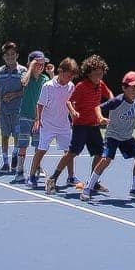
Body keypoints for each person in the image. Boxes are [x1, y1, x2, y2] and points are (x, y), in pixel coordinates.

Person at [81, 71, 135, 199]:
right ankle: (88, 187)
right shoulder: (117, 101)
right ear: (124, 88)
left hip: (127, 137)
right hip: (113, 136)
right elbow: (97, 108)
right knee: (106, 160)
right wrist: (100, 118)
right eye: (132, 88)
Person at [61, 55, 112, 195]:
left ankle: (93, 182)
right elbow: (69, 102)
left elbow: (110, 95)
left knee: (100, 154)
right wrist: (73, 112)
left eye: (101, 74)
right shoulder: (81, 86)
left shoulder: (101, 84)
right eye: (95, 74)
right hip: (81, 125)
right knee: (72, 153)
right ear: (89, 73)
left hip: (94, 125)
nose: (98, 76)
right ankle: (53, 178)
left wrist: (114, 104)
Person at [35, 58, 78, 194]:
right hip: (47, 124)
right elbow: (40, 104)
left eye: (72, 76)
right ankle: (31, 175)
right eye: (68, 75)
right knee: (42, 150)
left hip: (64, 125)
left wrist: (73, 116)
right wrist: (38, 119)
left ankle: (71, 177)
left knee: (69, 152)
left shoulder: (71, 86)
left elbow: (71, 103)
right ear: (61, 71)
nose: (70, 78)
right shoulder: (48, 85)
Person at [9, 49, 49, 185]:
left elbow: (51, 91)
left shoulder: (45, 79)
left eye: (42, 64)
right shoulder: (26, 76)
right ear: (31, 64)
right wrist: (31, 67)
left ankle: (37, 167)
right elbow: (24, 83)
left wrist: (51, 73)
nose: (41, 66)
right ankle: (20, 171)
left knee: (39, 145)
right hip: (25, 116)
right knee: (23, 145)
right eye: (38, 63)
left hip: (39, 118)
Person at [0, 42, 26, 174]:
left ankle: (15, 156)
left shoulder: (23, 71)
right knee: (5, 136)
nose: (10, 57)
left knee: (17, 135)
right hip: (4, 111)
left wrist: (14, 95)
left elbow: (27, 90)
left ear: (17, 55)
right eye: (7, 55)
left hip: (18, 110)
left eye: (13, 54)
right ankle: (5, 163)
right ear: (3, 57)